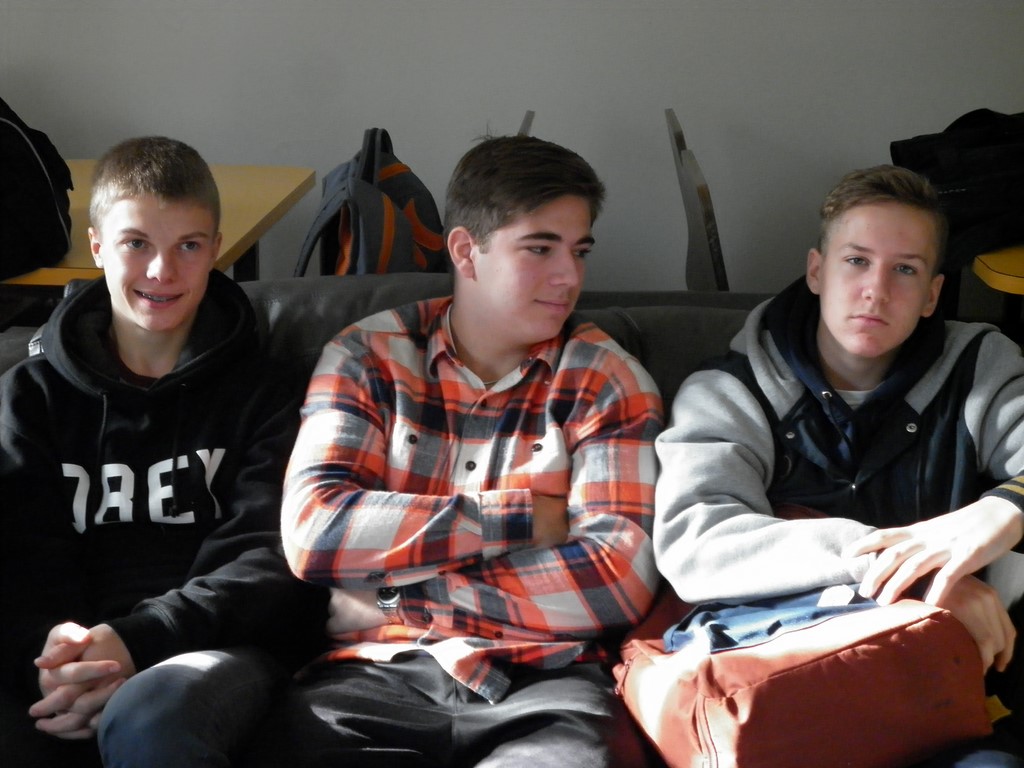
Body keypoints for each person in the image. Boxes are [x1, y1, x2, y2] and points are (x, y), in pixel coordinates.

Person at [242, 135, 664, 768]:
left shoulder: (606, 379)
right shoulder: (367, 357)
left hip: (548, 681)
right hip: (375, 675)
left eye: (579, 251)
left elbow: (613, 583)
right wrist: (523, 518)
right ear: (467, 251)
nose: (570, 276)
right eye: (540, 248)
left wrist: (394, 596)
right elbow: (315, 531)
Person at [654, 164, 1024, 766]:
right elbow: (696, 545)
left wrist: (1004, 510)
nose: (876, 290)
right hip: (790, 688)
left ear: (932, 295)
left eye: (905, 269)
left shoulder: (979, 366)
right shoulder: (728, 391)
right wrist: (917, 574)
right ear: (816, 271)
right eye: (856, 261)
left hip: (948, 693)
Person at [0, 136, 325, 767]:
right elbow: (19, 555)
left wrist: (136, 643)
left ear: (216, 249)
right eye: (136, 243)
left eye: (189, 246)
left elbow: (269, 559)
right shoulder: (29, 398)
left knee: (154, 720)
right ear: (97, 246)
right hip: (63, 660)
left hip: (216, 653)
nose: (161, 271)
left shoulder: (269, 393)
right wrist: (56, 656)